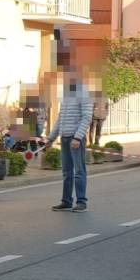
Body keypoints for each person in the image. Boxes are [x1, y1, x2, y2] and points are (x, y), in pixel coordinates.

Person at [47, 74, 93, 212]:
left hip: (75, 139)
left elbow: (87, 117)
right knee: (66, 172)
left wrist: (78, 138)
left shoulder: (84, 93)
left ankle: (81, 202)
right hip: (65, 137)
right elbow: (60, 118)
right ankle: (66, 201)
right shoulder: (67, 95)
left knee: (79, 171)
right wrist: (51, 138)